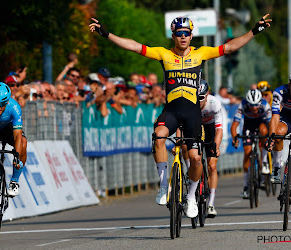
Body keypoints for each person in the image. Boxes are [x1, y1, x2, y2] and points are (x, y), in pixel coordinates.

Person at [89, 14, 272, 218]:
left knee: (196, 159)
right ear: (173, 36)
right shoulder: (164, 54)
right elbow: (134, 46)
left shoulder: (201, 53)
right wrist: (106, 34)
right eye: (179, 34)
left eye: (186, 33)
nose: (183, 37)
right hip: (172, 111)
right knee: (158, 136)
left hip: (193, 113)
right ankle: (163, 187)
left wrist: (254, 31)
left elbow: (229, 47)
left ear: (191, 36)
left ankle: (192, 197)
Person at [174, 80, 223, 217]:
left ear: (207, 95)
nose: (199, 101)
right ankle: (191, 169)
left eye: (201, 98)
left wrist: (216, 146)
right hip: (194, 127)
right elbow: (180, 126)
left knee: (212, 166)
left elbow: (219, 130)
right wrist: (178, 141)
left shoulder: (214, 104)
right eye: (196, 98)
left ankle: (211, 204)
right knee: (184, 145)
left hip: (210, 129)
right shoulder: (189, 104)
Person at [231, 89, 271, 198]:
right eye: (251, 105)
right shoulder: (242, 105)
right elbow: (234, 125)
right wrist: (235, 138)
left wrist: (269, 138)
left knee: (263, 131)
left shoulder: (265, 105)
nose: (254, 108)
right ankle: (246, 186)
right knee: (247, 152)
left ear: (260, 102)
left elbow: (270, 123)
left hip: (262, 124)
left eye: (256, 105)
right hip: (248, 127)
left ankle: (264, 162)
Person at [0, 82, 27, 197]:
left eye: (1, 103)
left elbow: (17, 135)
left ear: (7, 101)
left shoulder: (14, 107)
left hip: (7, 129)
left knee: (23, 143)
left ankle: (14, 181)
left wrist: (16, 156)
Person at [266, 75, 291, 183]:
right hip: (286, 116)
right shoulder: (279, 92)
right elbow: (275, 116)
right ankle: (276, 166)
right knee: (278, 133)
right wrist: (272, 136)